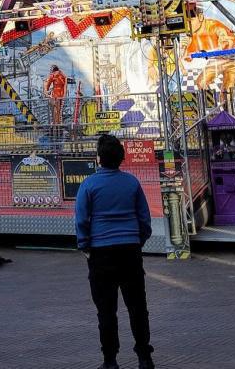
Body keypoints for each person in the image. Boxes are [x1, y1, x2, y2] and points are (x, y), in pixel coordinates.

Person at [75, 134, 155, 369]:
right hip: (130, 251)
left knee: (106, 311)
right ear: (120, 157)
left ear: (98, 158)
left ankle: (110, 360)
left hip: (101, 253)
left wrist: (85, 246)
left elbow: (81, 219)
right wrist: (137, 241)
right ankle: (144, 356)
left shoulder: (88, 185)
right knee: (138, 307)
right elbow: (145, 219)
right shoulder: (132, 182)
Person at [45, 65, 68, 133]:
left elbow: (47, 85)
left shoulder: (53, 75)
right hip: (61, 96)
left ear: (53, 70)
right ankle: (59, 126)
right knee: (59, 112)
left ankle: (55, 127)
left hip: (55, 96)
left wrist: (47, 91)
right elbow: (65, 86)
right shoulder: (63, 76)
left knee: (55, 112)